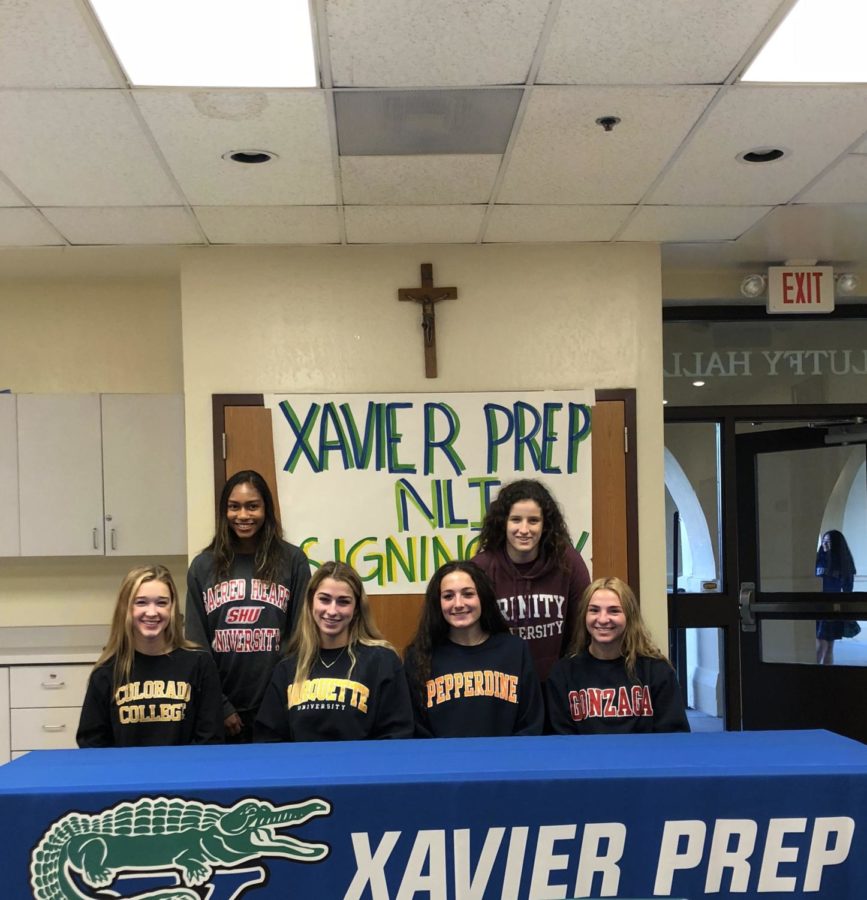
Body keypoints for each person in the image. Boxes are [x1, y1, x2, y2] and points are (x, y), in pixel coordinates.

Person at [185, 469, 311, 742]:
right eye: (234, 507)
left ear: (266, 509)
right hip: (218, 708)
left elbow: (301, 636)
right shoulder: (203, 566)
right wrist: (220, 704)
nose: (243, 515)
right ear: (224, 511)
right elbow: (196, 645)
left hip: (278, 703)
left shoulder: (293, 560)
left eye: (252, 506)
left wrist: (280, 700)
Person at [254, 561, 413, 742]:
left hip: (362, 768)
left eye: (343, 602)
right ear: (310, 602)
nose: (332, 610)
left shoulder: (382, 661)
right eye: (324, 599)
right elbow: (268, 738)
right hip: (301, 768)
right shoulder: (288, 667)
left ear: (356, 609)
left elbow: (397, 734)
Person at [77, 565, 222, 747]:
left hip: (185, 773)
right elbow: (91, 743)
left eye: (162, 603)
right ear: (126, 608)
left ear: (172, 608)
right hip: (126, 774)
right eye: (141, 602)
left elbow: (210, 738)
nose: (152, 612)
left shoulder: (199, 664)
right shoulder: (107, 671)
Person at [404, 561, 543, 737]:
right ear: (437, 603)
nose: (458, 604)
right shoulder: (418, 656)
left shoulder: (515, 650)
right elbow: (417, 729)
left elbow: (531, 722)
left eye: (468, 594)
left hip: (508, 762)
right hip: (442, 762)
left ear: (482, 597)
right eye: (448, 596)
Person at [473, 479, 591, 681]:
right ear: (503, 522)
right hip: (500, 685)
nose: (524, 529)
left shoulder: (568, 562)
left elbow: (582, 624)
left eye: (533, 521)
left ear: (545, 524)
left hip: (556, 682)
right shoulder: (482, 567)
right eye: (516, 520)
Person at [546, 576, 689, 734]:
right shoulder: (563, 674)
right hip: (585, 758)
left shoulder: (656, 671)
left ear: (629, 616)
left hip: (644, 758)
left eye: (614, 611)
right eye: (594, 610)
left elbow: (675, 736)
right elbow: (560, 741)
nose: (603, 619)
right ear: (584, 616)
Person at [816, 529, 858, 665]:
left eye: (828, 542)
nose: (824, 544)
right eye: (823, 541)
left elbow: (848, 588)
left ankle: (826, 677)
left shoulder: (843, 563)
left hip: (833, 609)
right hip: (817, 607)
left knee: (828, 647)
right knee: (820, 645)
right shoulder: (818, 558)